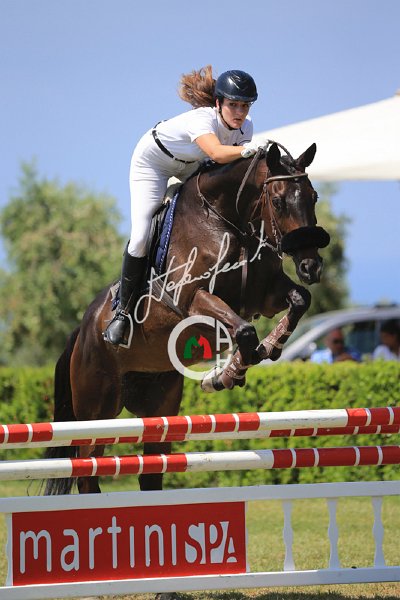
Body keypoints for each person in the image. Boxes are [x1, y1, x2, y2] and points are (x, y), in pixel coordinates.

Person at [104, 65, 261, 346]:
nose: (239, 112)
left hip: (190, 165)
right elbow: (217, 153)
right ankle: (122, 312)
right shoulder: (202, 119)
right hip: (154, 163)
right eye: (233, 105)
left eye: (245, 106)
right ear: (218, 104)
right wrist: (252, 149)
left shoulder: (245, 128)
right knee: (140, 236)